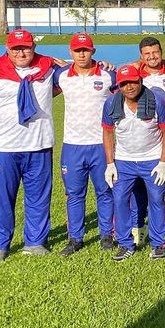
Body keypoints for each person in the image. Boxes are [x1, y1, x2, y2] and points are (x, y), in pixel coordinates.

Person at [0, 29, 62, 261]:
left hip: (39, 144)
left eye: (25, 47)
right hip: (5, 146)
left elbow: (77, 75)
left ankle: (35, 242)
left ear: (33, 47)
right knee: (2, 199)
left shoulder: (48, 67)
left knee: (38, 197)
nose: (21, 52)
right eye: (16, 48)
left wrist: (102, 64)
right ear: (7, 48)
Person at [101, 65, 165, 261]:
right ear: (119, 86)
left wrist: (163, 162)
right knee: (120, 200)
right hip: (124, 161)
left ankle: (158, 244)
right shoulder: (110, 104)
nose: (129, 87)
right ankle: (125, 244)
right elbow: (107, 132)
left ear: (140, 81)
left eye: (133, 81)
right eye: (124, 83)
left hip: (152, 160)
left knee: (157, 200)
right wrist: (110, 163)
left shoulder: (156, 101)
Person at [56, 32, 117, 255]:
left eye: (86, 50)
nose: (82, 54)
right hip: (72, 145)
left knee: (105, 191)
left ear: (93, 51)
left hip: (101, 145)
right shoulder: (61, 75)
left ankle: (106, 235)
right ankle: (75, 239)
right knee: (74, 194)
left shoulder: (109, 74)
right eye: (77, 50)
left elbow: (128, 91)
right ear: (70, 52)